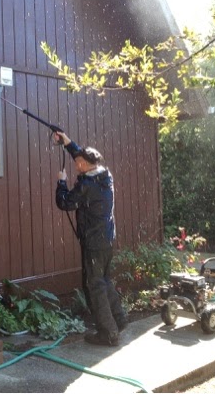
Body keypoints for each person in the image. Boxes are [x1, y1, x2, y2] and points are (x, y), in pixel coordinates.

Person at [53, 131, 128, 346]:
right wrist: (67, 142)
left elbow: (65, 203)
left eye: (78, 163)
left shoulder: (87, 185)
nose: (75, 165)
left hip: (93, 243)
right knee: (104, 280)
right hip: (107, 238)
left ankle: (108, 333)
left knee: (94, 285)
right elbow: (81, 155)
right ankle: (119, 319)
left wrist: (61, 183)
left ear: (85, 164)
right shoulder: (104, 175)